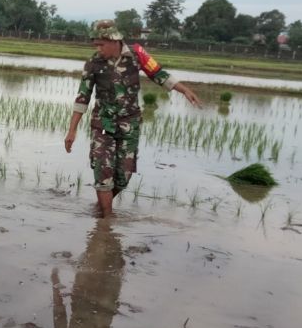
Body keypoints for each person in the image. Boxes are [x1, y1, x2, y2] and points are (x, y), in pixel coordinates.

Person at [64, 20, 201, 216]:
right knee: (103, 174)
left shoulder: (137, 55)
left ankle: (101, 209)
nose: (98, 49)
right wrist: (72, 130)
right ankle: (106, 222)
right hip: (103, 124)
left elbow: (159, 74)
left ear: (114, 41)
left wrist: (184, 90)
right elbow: (82, 98)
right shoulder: (93, 63)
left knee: (123, 178)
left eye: (101, 44)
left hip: (130, 124)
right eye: (96, 45)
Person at [51, 220, 170, 328]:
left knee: (95, 250)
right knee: (114, 257)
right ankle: (113, 224)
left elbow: (59, 313)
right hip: (107, 302)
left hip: (82, 295)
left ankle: (106, 222)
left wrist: (55, 283)